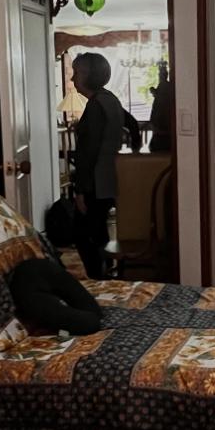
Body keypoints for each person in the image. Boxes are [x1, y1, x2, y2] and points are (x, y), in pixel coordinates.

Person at [70, 51, 126, 279]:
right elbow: (132, 125)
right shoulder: (109, 99)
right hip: (110, 177)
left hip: (95, 182)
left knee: (83, 234)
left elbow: (88, 152)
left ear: (88, 75)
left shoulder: (95, 106)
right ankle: (106, 276)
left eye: (76, 73)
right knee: (98, 231)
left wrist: (81, 190)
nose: (72, 78)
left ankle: (99, 280)